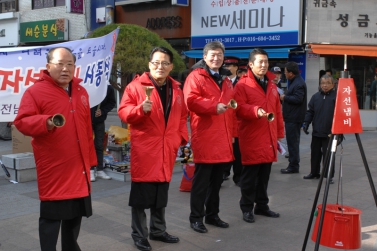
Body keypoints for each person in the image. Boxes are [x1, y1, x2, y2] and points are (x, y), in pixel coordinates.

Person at [14, 47, 97, 251]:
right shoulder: (35, 91)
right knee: (51, 219)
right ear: (48, 66)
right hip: (54, 168)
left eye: (69, 64)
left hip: (79, 167)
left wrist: (92, 160)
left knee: (74, 217)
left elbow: (87, 129)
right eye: (59, 64)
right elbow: (22, 122)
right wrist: (46, 122)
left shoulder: (81, 91)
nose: (65, 69)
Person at [118, 46, 188, 251]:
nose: (160, 66)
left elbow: (183, 115)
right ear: (149, 65)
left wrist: (181, 137)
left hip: (167, 148)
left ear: (171, 66)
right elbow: (123, 112)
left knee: (161, 195)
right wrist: (139, 110)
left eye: (165, 63)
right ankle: (139, 235)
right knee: (141, 196)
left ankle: (158, 230)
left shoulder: (176, 88)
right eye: (156, 63)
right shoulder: (135, 86)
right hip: (146, 149)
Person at [183, 41, 234, 234]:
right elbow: (191, 100)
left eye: (219, 55)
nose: (216, 58)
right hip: (205, 135)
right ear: (204, 57)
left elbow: (232, 107)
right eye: (212, 55)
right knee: (201, 181)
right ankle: (196, 217)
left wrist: (233, 134)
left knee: (217, 181)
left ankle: (213, 215)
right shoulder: (196, 76)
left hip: (223, 137)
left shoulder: (226, 79)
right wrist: (213, 107)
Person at [234, 48, 284, 223]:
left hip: (268, 136)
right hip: (252, 136)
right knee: (249, 177)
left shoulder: (271, 85)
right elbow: (238, 108)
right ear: (251, 64)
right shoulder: (242, 84)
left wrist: (279, 133)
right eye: (260, 62)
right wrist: (255, 111)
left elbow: (277, 110)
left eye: (266, 62)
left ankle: (262, 206)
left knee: (264, 176)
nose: (263, 65)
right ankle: (247, 208)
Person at [302, 74, 336, 183]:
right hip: (317, 131)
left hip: (330, 132)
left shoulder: (336, 97)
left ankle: (328, 175)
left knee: (328, 155)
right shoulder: (315, 97)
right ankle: (314, 172)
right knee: (315, 153)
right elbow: (310, 111)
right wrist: (306, 123)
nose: (325, 85)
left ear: (333, 84)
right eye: (323, 83)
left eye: (327, 83)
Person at [280, 61, 307, 174]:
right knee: (292, 141)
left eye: (285, 72)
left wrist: (285, 97)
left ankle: (293, 165)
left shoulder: (298, 83)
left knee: (293, 142)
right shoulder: (294, 81)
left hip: (294, 117)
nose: (284, 74)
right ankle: (293, 163)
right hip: (292, 116)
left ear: (291, 73)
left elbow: (297, 99)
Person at [222, 56, 242, 185]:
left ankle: (238, 177)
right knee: (225, 148)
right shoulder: (221, 81)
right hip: (224, 120)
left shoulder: (242, 82)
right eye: (226, 66)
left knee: (238, 151)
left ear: (236, 67)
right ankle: (224, 172)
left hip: (238, 121)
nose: (227, 68)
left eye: (230, 66)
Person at [90, 84, 116, 181]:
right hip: (86, 120)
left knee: (99, 144)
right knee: (88, 145)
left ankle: (100, 168)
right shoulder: (88, 85)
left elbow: (112, 102)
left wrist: (103, 111)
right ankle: (90, 169)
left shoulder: (108, 87)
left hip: (99, 120)